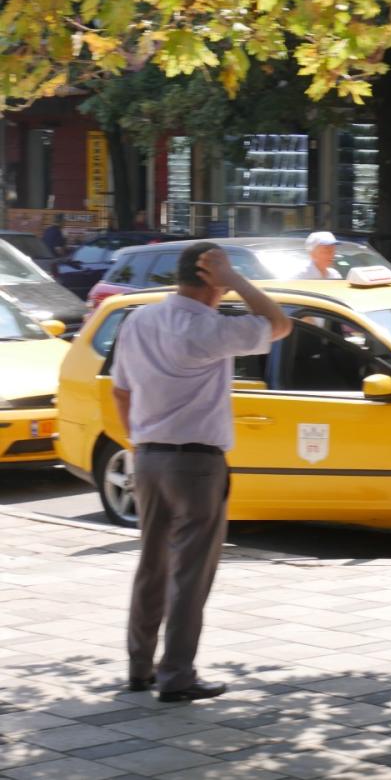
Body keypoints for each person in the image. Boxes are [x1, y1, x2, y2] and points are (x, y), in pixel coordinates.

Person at [111, 243, 291, 702]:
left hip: (148, 455)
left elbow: (121, 390)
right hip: (196, 463)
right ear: (212, 280)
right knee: (190, 572)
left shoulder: (139, 321)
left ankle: (139, 667)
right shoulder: (208, 328)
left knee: (152, 563)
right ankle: (176, 675)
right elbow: (280, 324)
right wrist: (238, 282)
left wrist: (140, 440)